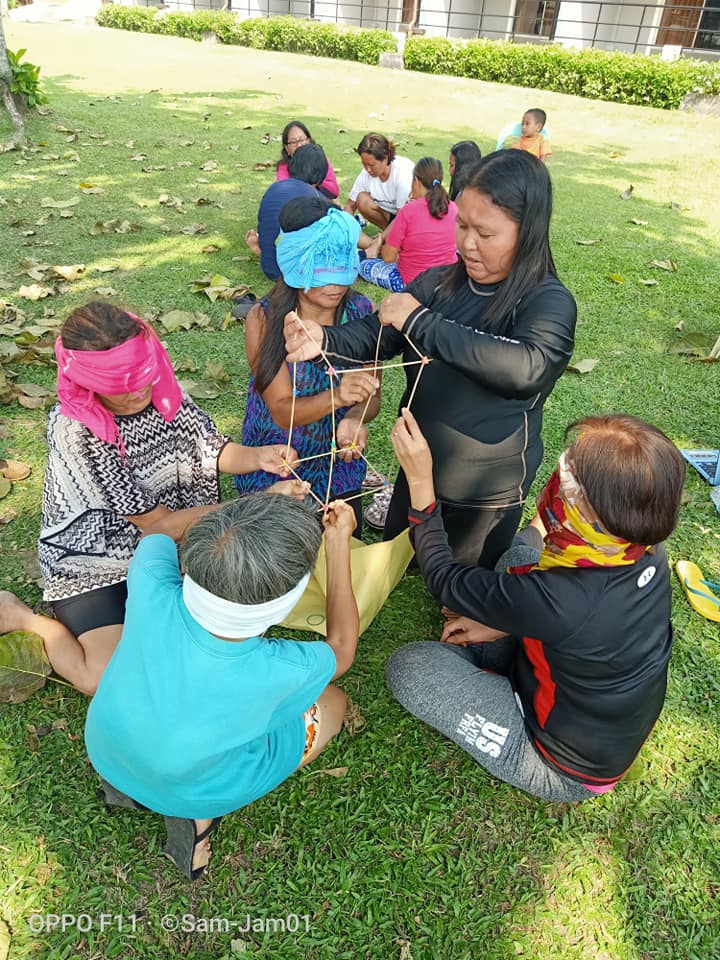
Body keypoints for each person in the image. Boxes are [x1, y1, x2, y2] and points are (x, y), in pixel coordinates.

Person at [285, 149, 577, 568]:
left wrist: (421, 322)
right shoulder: (441, 283)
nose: (468, 244)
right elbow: (376, 336)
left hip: (485, 492)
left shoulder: (548, 302)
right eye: (462, 225)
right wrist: (322, 339)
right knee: (401, 563)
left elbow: (526, 369)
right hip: (418, 469)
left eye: (486, 233)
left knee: (456, 588)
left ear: (527, 231)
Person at [0, 302, 301, 696]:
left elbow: (212, 449)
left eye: (144, 379)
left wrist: (257, 456)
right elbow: (154, 524)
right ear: (87, 383)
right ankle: (23, 617)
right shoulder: (74, 430)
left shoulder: (164, 394)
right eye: (120, 388)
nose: (139, 392)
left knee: (197, 648)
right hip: (96, 563)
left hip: (176, 545)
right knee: (103, 678)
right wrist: (257, 503)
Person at [386, 409, 685, 802]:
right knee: (515, 562)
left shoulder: (561, 600)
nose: (560, 489)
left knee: (410, 668)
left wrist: (420, 478)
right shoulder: (643, 545)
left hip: (558, 763)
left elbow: (443, 579)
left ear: (595, 517)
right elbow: (583, 619)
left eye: (571, 487)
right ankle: (502, 647)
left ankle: (497, 683)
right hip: (587, 695)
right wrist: (505, 622)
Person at [85, 494, 359, 879]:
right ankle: (199, 818)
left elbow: (160, 529)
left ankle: (130, 788)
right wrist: (338, 544)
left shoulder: (149, 580)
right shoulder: (280, 667)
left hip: (107, 750)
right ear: (284, 603)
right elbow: (342, 649)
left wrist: (250, 507)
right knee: (332, 703)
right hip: (195, 787)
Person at [237, 198, 380, 530]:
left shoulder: (362, 313)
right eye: (320, 273)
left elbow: (372, 396)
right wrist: (340, 398)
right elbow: (281, 411)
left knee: (341, 541)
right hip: (278, 462)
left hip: (336, 463)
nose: (334, 286)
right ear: (295, 264)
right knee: (281, 554)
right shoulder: (264, 319)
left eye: (340, 272)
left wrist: (356, 419)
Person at [358, 157, 458, 293]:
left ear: (416, 181)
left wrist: (381, 243)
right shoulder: (453, 208)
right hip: (446, 280)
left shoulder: (409, 210)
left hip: (411, 282)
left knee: (363, 265)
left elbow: (388, 257)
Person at [245, 143, 330, 280]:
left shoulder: (274, 188)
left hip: (270, 268)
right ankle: (367, 251)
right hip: (296, 273)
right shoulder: (315, 199)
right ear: (321, 174)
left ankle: (264, 250)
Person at [345, 133, 415, 229]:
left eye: (372, 165)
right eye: (364, 164)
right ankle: (388, 236)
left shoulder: (402, 173)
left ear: (385, 158)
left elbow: (402, 218)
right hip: (391, 217)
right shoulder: (366, 174)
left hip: (410, 218)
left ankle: (392, 239)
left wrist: (380, 240)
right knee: (362, 199)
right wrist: (346, 230)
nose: (368, 169)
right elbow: (350, 206)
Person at [275, 120, 339, 199]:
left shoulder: (321, 161)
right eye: (293, 142)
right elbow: (285, 192)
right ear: (287, 149)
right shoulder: (284, 167)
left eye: (301, 140)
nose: (299, 145)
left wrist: (315, 179)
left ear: (309, 141)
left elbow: (334, 191)